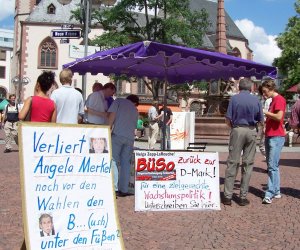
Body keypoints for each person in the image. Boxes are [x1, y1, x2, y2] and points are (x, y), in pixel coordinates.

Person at [223, 78, 263, 206]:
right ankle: (242, 197)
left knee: (233, 162)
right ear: (251, 88)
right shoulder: (256, 99)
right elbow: (261, 120)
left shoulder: (234, 99)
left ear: (239, 87)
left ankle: (227, 196)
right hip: (251, 131)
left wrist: (234, 129)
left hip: (237, 130)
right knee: (248, 164)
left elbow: (228, 118)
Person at [108, 94, 139, 197]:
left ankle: (114, 188)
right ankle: (124, 189)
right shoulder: (135, 110)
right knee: (126, 163)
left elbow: (111, 115)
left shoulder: (119, 101)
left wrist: (107, 128)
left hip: (118, 134)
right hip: (130, 138)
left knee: (113, 160)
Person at [261, 79, 286, 204]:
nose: (264, 94)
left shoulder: (279, 99)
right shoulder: (273, 100)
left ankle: (269, 193)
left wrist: (264, 112)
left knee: (272, 166)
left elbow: (278, 117)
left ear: (270, 88)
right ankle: (276, 191)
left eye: (265, 91)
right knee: (273, 166)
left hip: (276, 136)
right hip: (271, 135)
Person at [258, 85, 272, 157]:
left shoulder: (268, 101)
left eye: (264, 92)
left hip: (266, 125)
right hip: (269, 126)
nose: (263, 94)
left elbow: (266, 115)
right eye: (262, 92)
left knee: (262, 146)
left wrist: (264, 126)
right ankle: (270, 161)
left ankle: (270, 161)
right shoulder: (270, 100)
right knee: (266, 145)